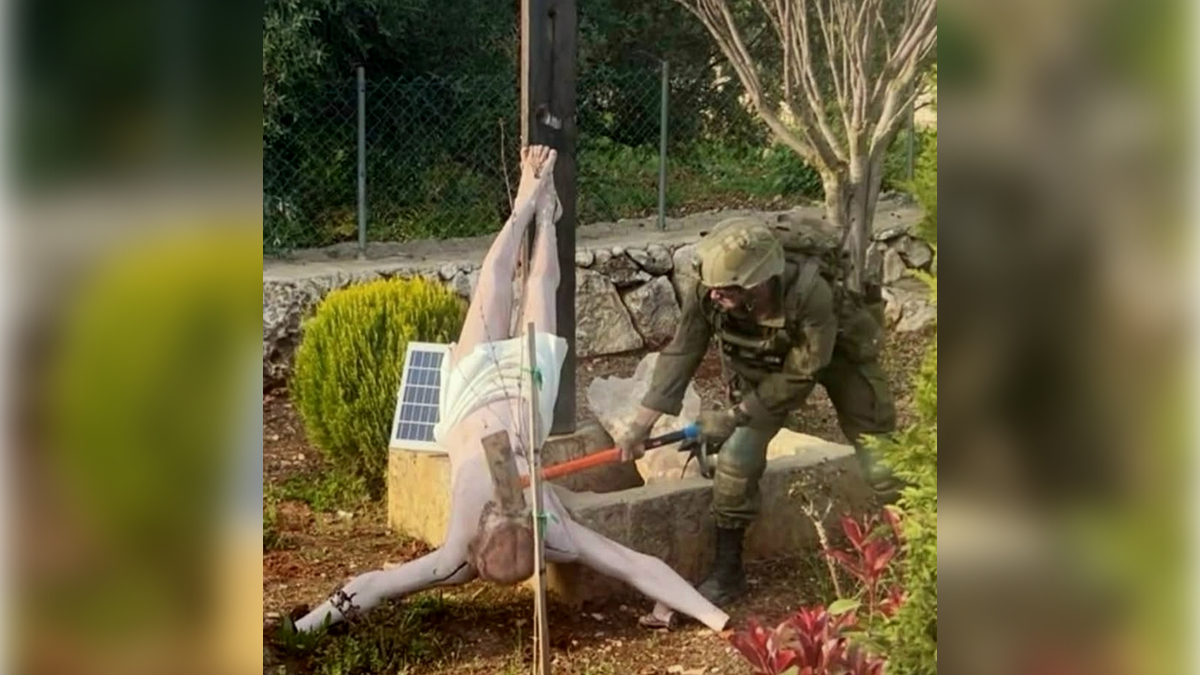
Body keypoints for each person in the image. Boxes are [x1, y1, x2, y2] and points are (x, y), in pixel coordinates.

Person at [292, 146, 729, 634]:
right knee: (541, 285)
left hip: (466, 401)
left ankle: (528, 206)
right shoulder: (555, 535)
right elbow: (635, 565)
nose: (509, 508)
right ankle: (542, 214)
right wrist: (716, 618)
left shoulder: (457, 559)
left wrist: (304, 627)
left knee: (492, 285)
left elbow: (372, 585)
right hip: (524, 400)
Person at [616, 216, 898, 606]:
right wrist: (640, 425)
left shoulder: (810, 292)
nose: (715, 295)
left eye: (727, 288)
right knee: (735, 458)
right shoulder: (709, 291)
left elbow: (805, 370)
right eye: (712, 287)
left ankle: (914, 545)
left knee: (879, 452)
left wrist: (733, 416)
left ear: (758, 281)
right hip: (766, 366)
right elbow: (682, 351)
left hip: (837, 355)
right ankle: (728, 573)